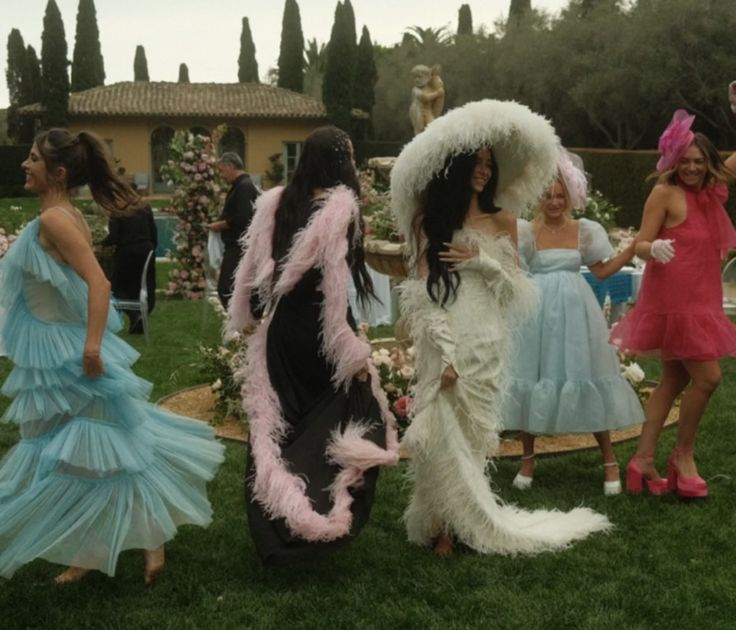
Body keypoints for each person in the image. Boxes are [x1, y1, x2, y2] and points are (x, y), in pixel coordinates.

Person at [0, 128, 224, 582]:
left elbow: (98, 284)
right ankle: (89, 548)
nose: (25, 165)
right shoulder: (59, 214)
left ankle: (151, 538)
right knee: (71, 456)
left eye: (33, 159)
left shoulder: (56, 219)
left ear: (57, 172)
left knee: (107, 450)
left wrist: (91, 348)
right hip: (52, 352)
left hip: (69, 354)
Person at [392, 99, 611, 557]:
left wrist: (482, 261)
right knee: (439, 430)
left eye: (490, 165)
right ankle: (447, 527)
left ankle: (459, 524)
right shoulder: (428, 221)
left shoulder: (506, 220)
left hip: (487, 336)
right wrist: (445, 351)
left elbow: (517, 292)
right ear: (457, 166)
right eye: (477, 163)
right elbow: (418, 292)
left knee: (471, 432)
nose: (484, 172)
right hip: (446, 333)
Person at [226, 126, 399, 566]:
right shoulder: (340, 208)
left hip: (283, 332)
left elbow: (249, 268)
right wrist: (352, 353)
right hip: (321, 335)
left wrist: (246, 317)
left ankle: (275, 533)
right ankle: (317, 522)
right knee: (338, 419)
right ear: (340, 162)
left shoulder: (277, 201)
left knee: (278, 426)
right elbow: (336, 292)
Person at [611, 109, 736, 499]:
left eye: (700, 162)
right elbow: (641, 243)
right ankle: (683, 457)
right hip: (675, 301)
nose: (693, 168)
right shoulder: (664, 193)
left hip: (703, 298)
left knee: (674, 379)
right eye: (686, 162)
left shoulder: (710, 191)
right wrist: (655, 248)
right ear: (673, 161)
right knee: (708, 377)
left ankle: (642, 460)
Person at [504, 149, 644, 495]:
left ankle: (609, 460)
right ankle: (528, 459)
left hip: (576, 311)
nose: (554, 202)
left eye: (560, 195)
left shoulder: (584, 230)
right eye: (548, 195)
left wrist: (631, 250)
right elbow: (515, 273)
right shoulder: (524, 231)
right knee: (532, 376)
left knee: (586, 373)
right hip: (536, 312)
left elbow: (602, 270)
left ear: (570, 197)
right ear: (538, 198)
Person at [208, 152, 259, 308]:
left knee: (226, 288)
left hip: (238, 246)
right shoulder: (240, 186)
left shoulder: (244, 187)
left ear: (230, 166)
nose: (222, 176)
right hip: (235, 245)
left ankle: (239, 321)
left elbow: (243, 218)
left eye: (222, 171)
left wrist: (221, 225)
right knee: (229, 288)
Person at [100, 203, 157, 333]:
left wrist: (101, 243)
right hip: (146, 250)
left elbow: (114, 237)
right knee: (144, 284)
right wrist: (151, 247)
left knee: (116, 287)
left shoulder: (117, 210)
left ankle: (134, 314)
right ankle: (140, 316)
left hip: (126, 252)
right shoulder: (145, 208)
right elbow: (153, 231)